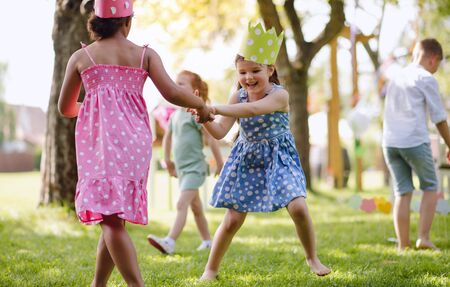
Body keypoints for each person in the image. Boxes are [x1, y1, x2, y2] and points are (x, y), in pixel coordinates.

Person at [58, 1, 212, 286]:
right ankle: (98, 284)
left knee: (112, 220)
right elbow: (174, 94)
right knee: (114, 219)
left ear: (96, 21)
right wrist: (201, 105)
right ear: (128, 22)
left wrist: (94, 107)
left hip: (101, 146)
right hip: (135, 143)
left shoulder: (82, 57)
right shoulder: (145, 55)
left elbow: (66, 108)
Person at [191, 23, 331, 280]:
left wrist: (214, 107)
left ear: (270, 69)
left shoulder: (280, 95)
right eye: (242, 72)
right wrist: (204, 117)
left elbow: (254, 111)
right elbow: (221, 132)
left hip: (279, 157)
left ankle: (312, 257)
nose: (248, 78)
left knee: (298, 207)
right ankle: (210, 270)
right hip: (247, 159)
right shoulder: (237, 96)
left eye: (255, 70)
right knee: (233, 219)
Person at [382, 38, 450, 251]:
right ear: (432, 59)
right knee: (430, 186)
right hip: (413, 141)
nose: (436, 70)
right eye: (437, 65)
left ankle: (403, 245)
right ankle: (423, 237)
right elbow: (439, 118)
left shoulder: (395, 77)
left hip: (390, 142)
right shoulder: (425, 78)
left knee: (402, 191)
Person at [147, 70, 224, 255]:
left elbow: (212, 138)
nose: (176, 86)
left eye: (181, 84)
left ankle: (169, 241)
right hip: (182, 169)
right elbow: (167, 138)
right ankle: (207, 241)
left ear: (195, 91)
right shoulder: (175, 115)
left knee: (182, 204)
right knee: (196, 208)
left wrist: (220, 163)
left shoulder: (197, 112)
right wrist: (167, 160)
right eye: (176, 83)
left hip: (195, 168)